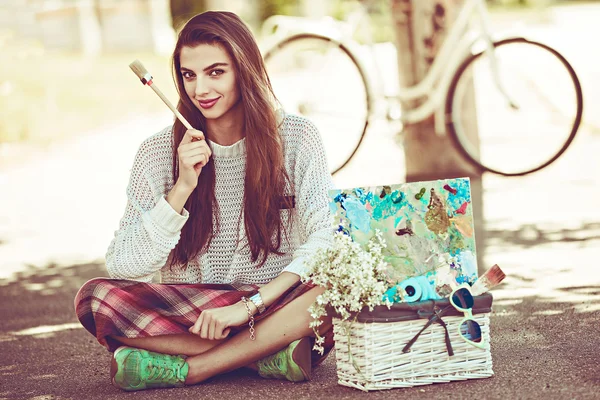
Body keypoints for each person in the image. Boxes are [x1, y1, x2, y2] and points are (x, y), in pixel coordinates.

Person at [74, 10, 335, 392]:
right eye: (188, 75)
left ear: (245, 70)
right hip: (195, 312)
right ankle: (265, 352)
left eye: (216, 72)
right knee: (95, 299)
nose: (200, 89)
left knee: (344, 283)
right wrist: (181, 188)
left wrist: (247, 308)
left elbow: (324, 239)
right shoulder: (156, 152)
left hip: (273, 299)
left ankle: (195, 369)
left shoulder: (297, 138)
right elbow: (124, 264)